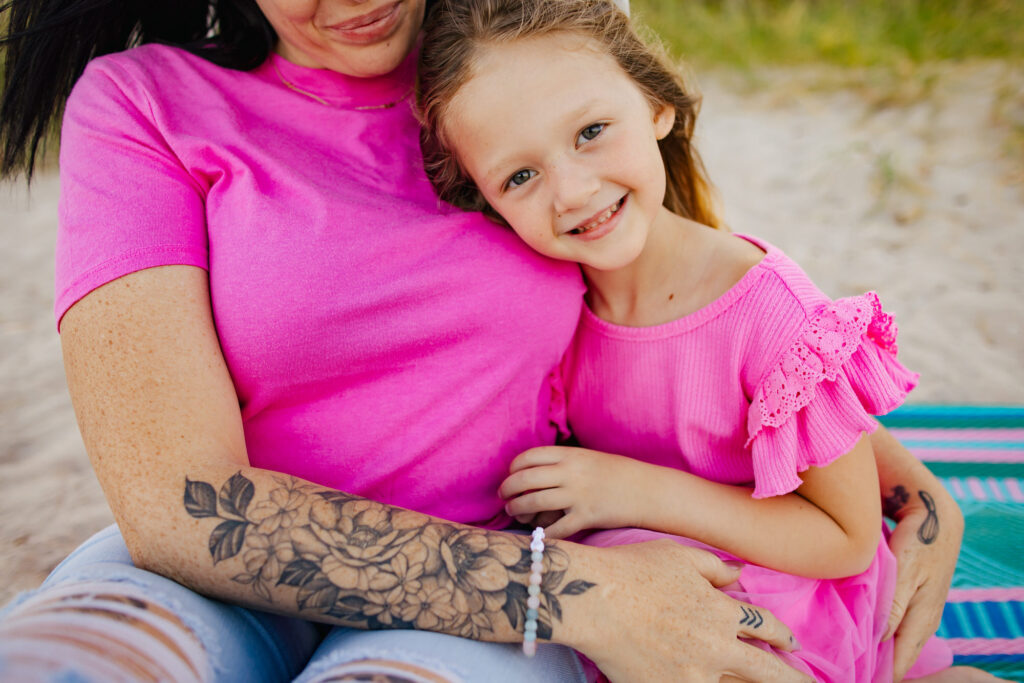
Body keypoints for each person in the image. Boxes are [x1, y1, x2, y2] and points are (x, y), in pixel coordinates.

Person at [0, 0, 962, 680]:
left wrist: (900, 483)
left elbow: (690, 294)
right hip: (241, 581)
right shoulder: (143, 104)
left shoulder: (520, 60)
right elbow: (180, 507)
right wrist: (579, 591)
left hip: (502, 578)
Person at [416, 1, 1003, 681]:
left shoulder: (770, 312)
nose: (572, 191)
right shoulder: (543, 311)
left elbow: (844, 538)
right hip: (649, 599)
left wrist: (631, 489)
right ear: (487, 199)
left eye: (592, 131)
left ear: (657, 105)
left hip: (791, 607)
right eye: (521, 176)